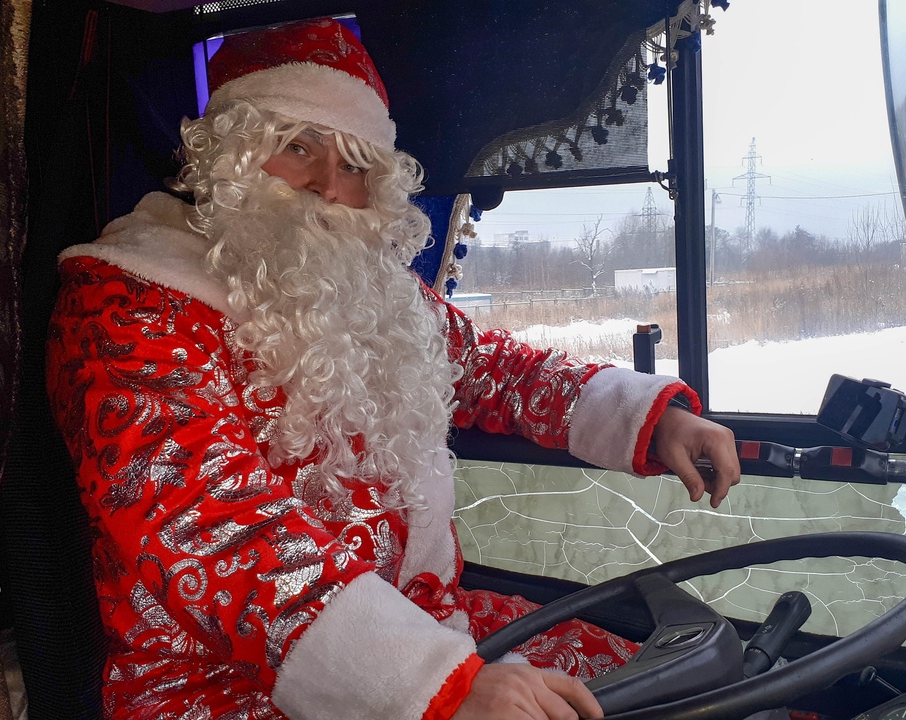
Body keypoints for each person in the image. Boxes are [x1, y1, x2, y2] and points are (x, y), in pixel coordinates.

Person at [46, 17, 742, 720]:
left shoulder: (369, 287)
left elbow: (491, 370)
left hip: (428, 630)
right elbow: (212, 528)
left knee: (691, 691)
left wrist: (650, 419)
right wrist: (435, 688)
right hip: (226, 687)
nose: (328, 187)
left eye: (355, 165)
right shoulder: (128, 302)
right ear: (231, 155)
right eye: (297, 147)